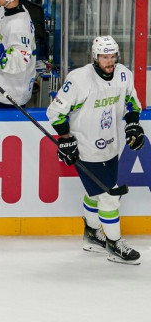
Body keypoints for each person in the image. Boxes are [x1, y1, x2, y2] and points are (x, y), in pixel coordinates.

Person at [46, 36, 143, 265]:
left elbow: (132, 103)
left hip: (111, 146)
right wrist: (66, 139)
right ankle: (114, 243)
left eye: (113, 56)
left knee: (95, 193)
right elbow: (55, 112)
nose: (109, 61)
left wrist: (133, 125)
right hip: (86, 148)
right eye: (104, 57)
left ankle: (91, 234)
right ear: (95, 57)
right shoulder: (80, 79)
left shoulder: (123, 75)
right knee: (110, 197)